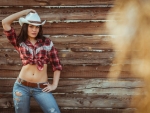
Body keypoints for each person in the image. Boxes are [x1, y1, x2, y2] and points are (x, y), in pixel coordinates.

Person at [2, 9, 62, 113]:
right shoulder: (19, 42)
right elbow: (5, 22)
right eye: (31, 26)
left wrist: (54, 85)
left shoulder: (47, 42)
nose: (34, 29)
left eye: (37, 27)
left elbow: (56, 64)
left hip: (41, 88)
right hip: (21, 86)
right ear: (25, 26)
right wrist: (24, 12)